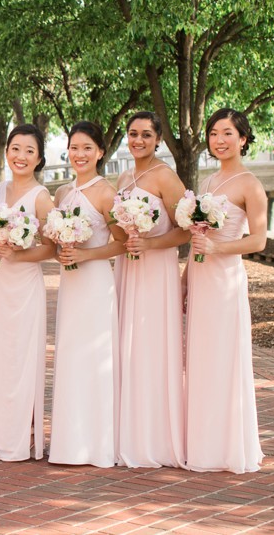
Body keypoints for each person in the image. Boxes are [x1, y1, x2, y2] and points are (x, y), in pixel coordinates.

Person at [185, 107, 266, 474]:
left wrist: (218, 249)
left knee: (224, 356)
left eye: (228, 133)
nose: (220, 139)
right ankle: (203, 442)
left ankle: (228, 445)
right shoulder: (206, 183)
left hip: (226, 278)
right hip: (201, 277)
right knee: (200, 357)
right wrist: (186, 277)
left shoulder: (250, 184)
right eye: (215, 133)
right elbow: (196, 236)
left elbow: (259, 241)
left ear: (243, 138)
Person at [113, 111, 188, 468]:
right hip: (127, 267)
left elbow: (186, 230)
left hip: (156, 270)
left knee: (151, 345)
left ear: (158, 138)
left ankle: (154, 437)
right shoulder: (124, 176)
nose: (138, 140)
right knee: (127, 347)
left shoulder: (165, 176)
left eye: (145, 134)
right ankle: (129, 430)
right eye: (132, 133)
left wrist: (151, 245)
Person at [48, 121, 125, 468]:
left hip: (94, 281)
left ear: (100, 152)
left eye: (87, 148)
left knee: (93, 358)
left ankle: (96, 444)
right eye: (74, 147)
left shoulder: (107, 193)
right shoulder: (63, 193)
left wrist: (86, 254)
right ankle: (69, 443)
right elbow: (51, 239)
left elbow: (122, 243)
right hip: (70, 281)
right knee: (69, 356)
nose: (79, 154)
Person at [0, 124, 55, 462]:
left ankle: (19, 438)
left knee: (21, 357)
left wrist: (17, 253)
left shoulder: (42, 197)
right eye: (16, 148)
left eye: (29, 151)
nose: (21, 156)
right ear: (6, 151)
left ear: (39, 158)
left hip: (24, 285)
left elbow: (52, 249)